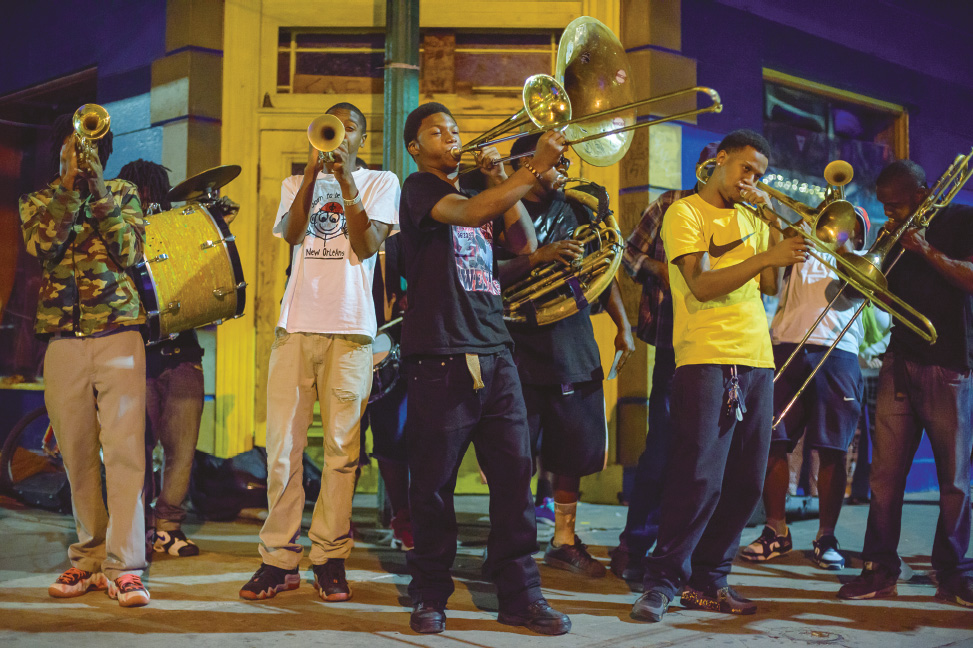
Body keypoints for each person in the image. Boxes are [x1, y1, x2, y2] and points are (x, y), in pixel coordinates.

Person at [398, 102, 570, 635]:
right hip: (441, 357)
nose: (450, 138)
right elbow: (470, 215)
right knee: (433, 485)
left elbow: (525, 245)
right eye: (436, 131)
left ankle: (521, 596)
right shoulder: (420, 189)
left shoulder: (482, 191)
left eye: (454, 130)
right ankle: (430, 592)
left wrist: (502, 177)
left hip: (496, 355)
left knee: (517, 482)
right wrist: (530, 170)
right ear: (415, 147)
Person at [630, 129, 809, 622]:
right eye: (746, 169)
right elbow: (702, 284)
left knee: (747, 482)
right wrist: (766, 255)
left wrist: (778, 235)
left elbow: (768, 285)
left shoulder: (754, 215)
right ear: (720, 160)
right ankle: (662, 582)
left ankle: (709, 581)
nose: (752, 180)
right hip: (706, 356)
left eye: (760, 174)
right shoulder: (684, 212)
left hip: (757, 358)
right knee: (697, 476)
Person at [240, 101, 399, 602]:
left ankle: (329, 556)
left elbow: (368, 244)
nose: (339, 135)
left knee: (340, 452)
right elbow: (289, 234)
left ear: (361, 139)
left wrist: (347, 182)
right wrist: (312, 172)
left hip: (352, 333)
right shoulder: (295, 184)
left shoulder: (381, 183)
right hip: (296, 328)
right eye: (332, 127)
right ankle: (278, 560)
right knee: (283, 451)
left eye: (349, 129)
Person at [20, 113, 150, 606]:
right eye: (73, 147)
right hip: (62, 341)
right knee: (76, 456)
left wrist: (97, 190)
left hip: (119, 334)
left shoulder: (123, 193)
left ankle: (126, 567)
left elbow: (129, 250)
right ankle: (88, 560)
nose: (81, 154)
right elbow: (43, 246)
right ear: (60, 152)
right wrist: (72, 189)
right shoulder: (38, 202)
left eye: (90, 146)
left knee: (124, 456)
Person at [837, 159, 973, 608]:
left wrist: (925, 250)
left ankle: (952, 573)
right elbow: (866, 292)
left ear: (920, 192)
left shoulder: (960, 220)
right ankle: (879, 568)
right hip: (900, 358)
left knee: (952, 480)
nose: (888, 213)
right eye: (884, 206)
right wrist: (857, 265)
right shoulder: (891, 236)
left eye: (894, 205)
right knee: (884, 475)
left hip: (950, 363)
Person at [498, 133, 634, 578]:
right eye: (557, 161)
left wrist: (623, 325)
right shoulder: (499, 204)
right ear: (529, 162)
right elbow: (485, 270)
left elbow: (603, 266)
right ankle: (509, 547)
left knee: (575, 446)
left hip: (572, 340)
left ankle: (562, 540)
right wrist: (540, 258)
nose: (565, 168)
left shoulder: (579, 205)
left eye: (566, 160)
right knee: (514, 454)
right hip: (518, 341)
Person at [612, 142, 718, 582]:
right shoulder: (670, 203)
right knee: (661, 445)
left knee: (704, 452)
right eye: (711, 167)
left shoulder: (744, 214)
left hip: (720, 343)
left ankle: (686, 553)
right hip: (676, 340)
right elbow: (629, 256)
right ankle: (635, 545)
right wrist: (673, 272)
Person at [742, 205, 871, 570]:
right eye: (830, 222)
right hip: (786, 347)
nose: (834, 229)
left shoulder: (861, 260)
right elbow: (769, 283)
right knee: (774, 441)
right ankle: (775, 530)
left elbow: (860, 291)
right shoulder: (800, 245)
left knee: (832, 449)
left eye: (845, 225)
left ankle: (826, 536)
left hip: (838, 352)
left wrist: (838, 246)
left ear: (858, 234)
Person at [116, 159, 203, 558]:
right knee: (138, 447)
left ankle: (168, 527)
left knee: (181, 450)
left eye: (152, 191)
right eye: (140, 190)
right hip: (138, 354)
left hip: (183, 352)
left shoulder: (178, 232)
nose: (147, 199)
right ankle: (142, 525)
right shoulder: (120, 235)